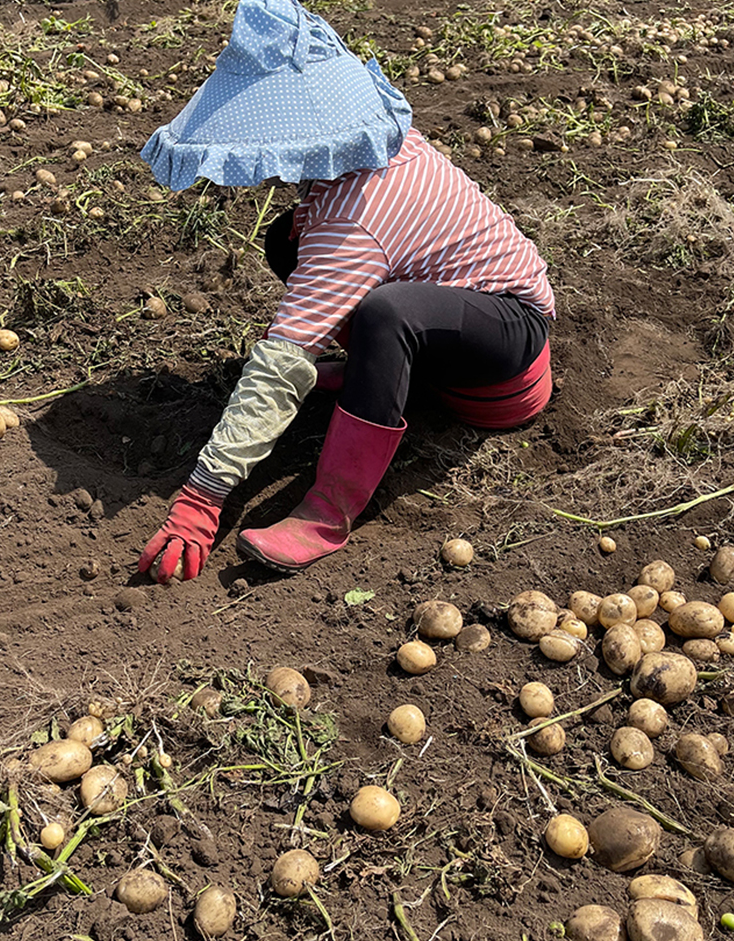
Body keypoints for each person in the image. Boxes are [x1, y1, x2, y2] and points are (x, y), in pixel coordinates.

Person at [138, 0, 554, 583]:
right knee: (288, 239)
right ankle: (375, 377)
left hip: (504, 357)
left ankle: (329, 511)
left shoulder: (352, 226)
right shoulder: (378, 138)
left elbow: (279, 366)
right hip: (458, 320)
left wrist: (202, 501)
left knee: (388, 314)